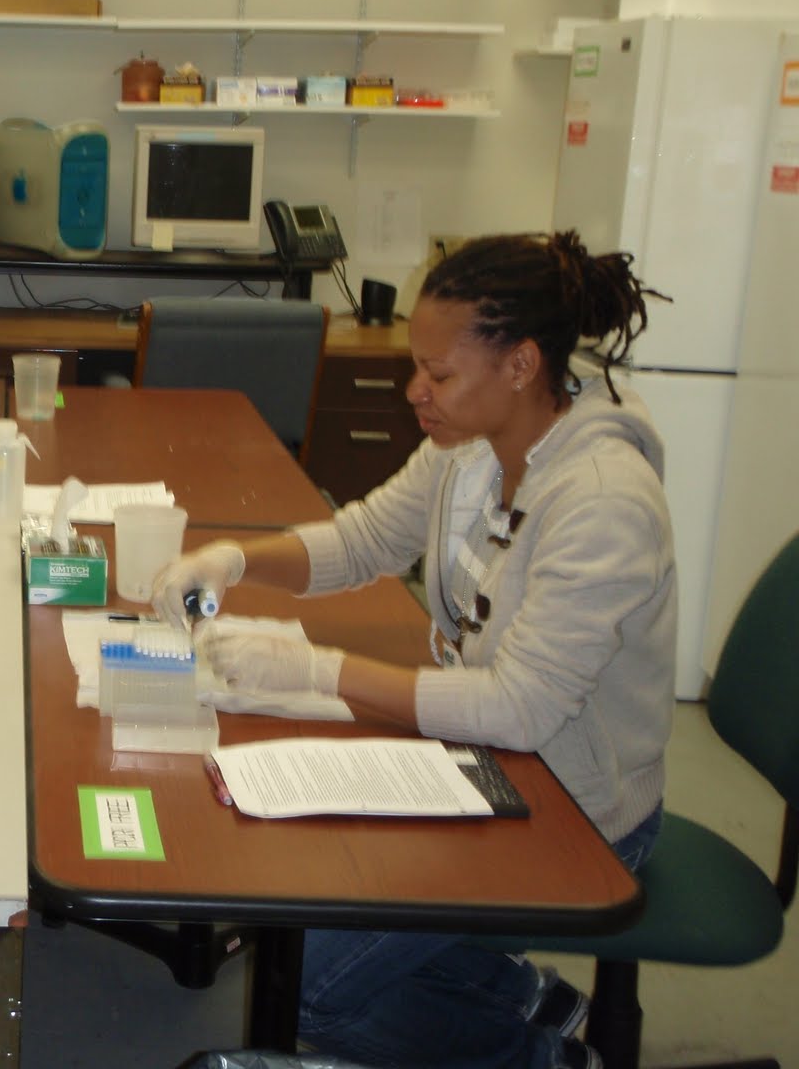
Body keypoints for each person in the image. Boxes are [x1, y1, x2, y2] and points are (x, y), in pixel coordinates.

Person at [153, 231, 676, 1069]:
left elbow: (519, 710)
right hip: (486, 761)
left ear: (521, 365)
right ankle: (521, 996)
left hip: (577, 807)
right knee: (303, 895)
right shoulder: (473, 446)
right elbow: (364, 539)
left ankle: (543, 1061)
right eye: (415, 367)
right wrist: (233, 561)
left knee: (310, 985)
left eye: (438, 374)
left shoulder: (603, 502)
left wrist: (319, 673)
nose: (414, 391)